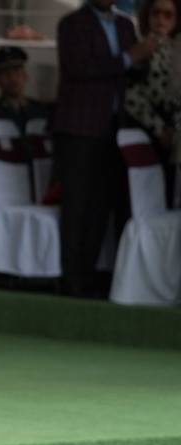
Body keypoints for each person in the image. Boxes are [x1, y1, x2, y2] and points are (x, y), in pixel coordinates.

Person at [54, 0, 157, 296]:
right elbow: (81, 67)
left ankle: (90, 277)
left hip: (114, 128)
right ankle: (71, 280)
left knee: (101, 205)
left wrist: (150, 56)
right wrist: (129, 57)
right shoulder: (72, 24)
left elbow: (132, 72)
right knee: (77, 205)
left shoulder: (125, 25)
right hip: (79, 127)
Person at [124, 0, 180, 205]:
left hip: (175, 133)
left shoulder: (177, 48)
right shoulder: (142, 48)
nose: (160, 20)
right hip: (149, 131)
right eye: (155, 13)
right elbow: (131, 97)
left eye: (168, 15)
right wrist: (159, 128)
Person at [0, 46, 52, 134]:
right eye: (5, 73)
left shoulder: (41, 110)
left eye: (16, 71)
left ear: (25, 76)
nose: (12, 78)